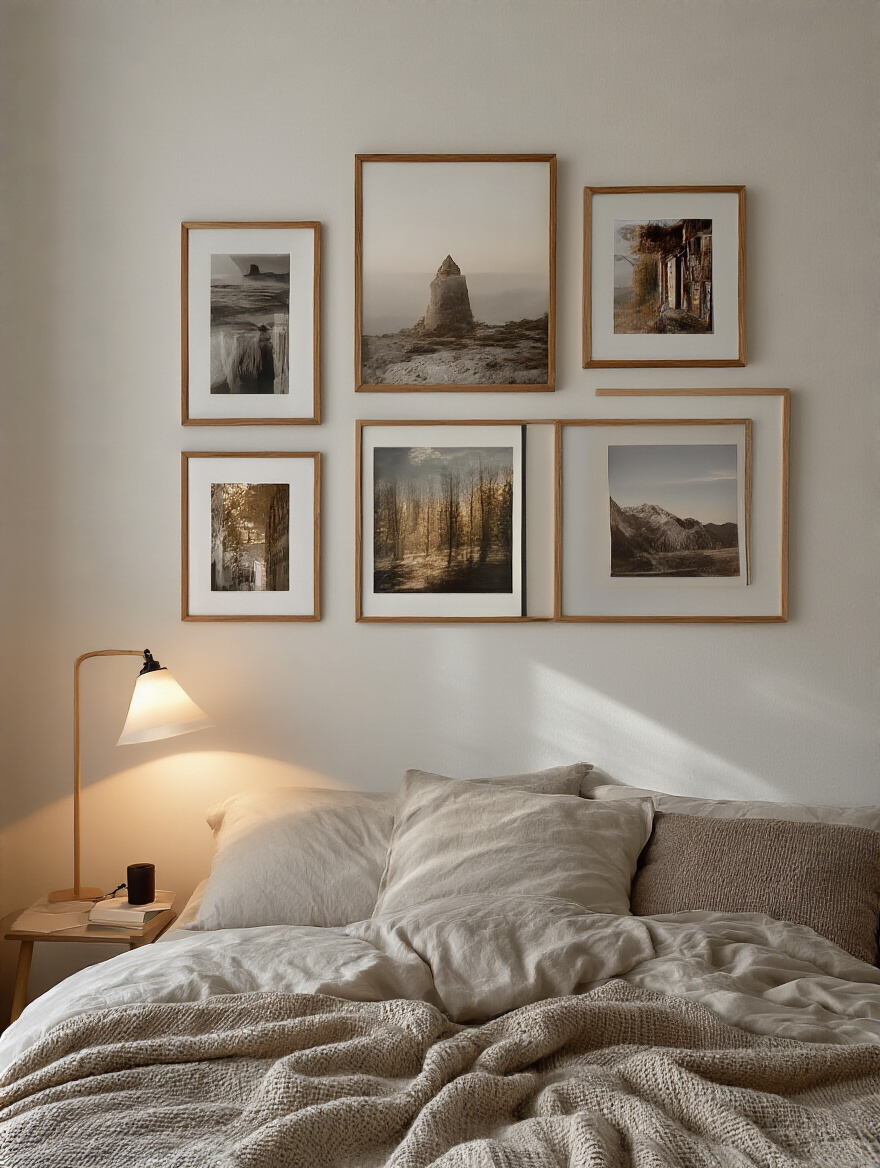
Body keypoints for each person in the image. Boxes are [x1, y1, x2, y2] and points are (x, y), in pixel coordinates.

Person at [256, 325, 275, 393]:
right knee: (268, 378)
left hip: (264, 362)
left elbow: (259, 356)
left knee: (263, 378)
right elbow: (272, 354)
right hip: (269, 362)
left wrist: (260, 366)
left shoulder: (260, 343)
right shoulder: (270, 344)